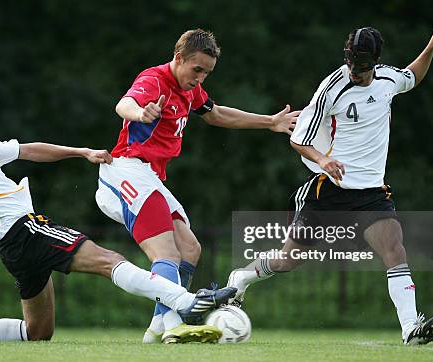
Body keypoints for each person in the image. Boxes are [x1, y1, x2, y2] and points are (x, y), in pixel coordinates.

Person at [0, 100, 236, 344]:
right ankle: (186, 301)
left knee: (37, 333)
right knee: (111, 261)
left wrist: (80, 151)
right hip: (25, 228)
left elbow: (30, 150)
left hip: (13, 246)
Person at [226, 19, 433, 346]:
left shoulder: (388, 79)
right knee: (288, 260)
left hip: (372, 193)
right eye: (351, 63)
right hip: (328, 190)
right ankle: (242, 277)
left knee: (394, 250)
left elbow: (413, 76)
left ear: (374, 64)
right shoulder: (331, 89)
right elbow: (299, 139)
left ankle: (409, 330)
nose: (354, 71)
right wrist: (323, 160)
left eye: (361, 67)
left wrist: (432, 44)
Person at [95, 29, 300, 343]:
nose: (201, 78)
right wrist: (141, 112)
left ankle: (156, 328)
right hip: (126, 170)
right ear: (179, 58)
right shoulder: (154, 80)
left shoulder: (191, 90)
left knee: (190, 248)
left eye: (207, 72)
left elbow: (216, 114)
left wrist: (270, 122)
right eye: (197, 70)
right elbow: (124, 104)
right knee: (165, 252)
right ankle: (175, 325)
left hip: (150, 177)